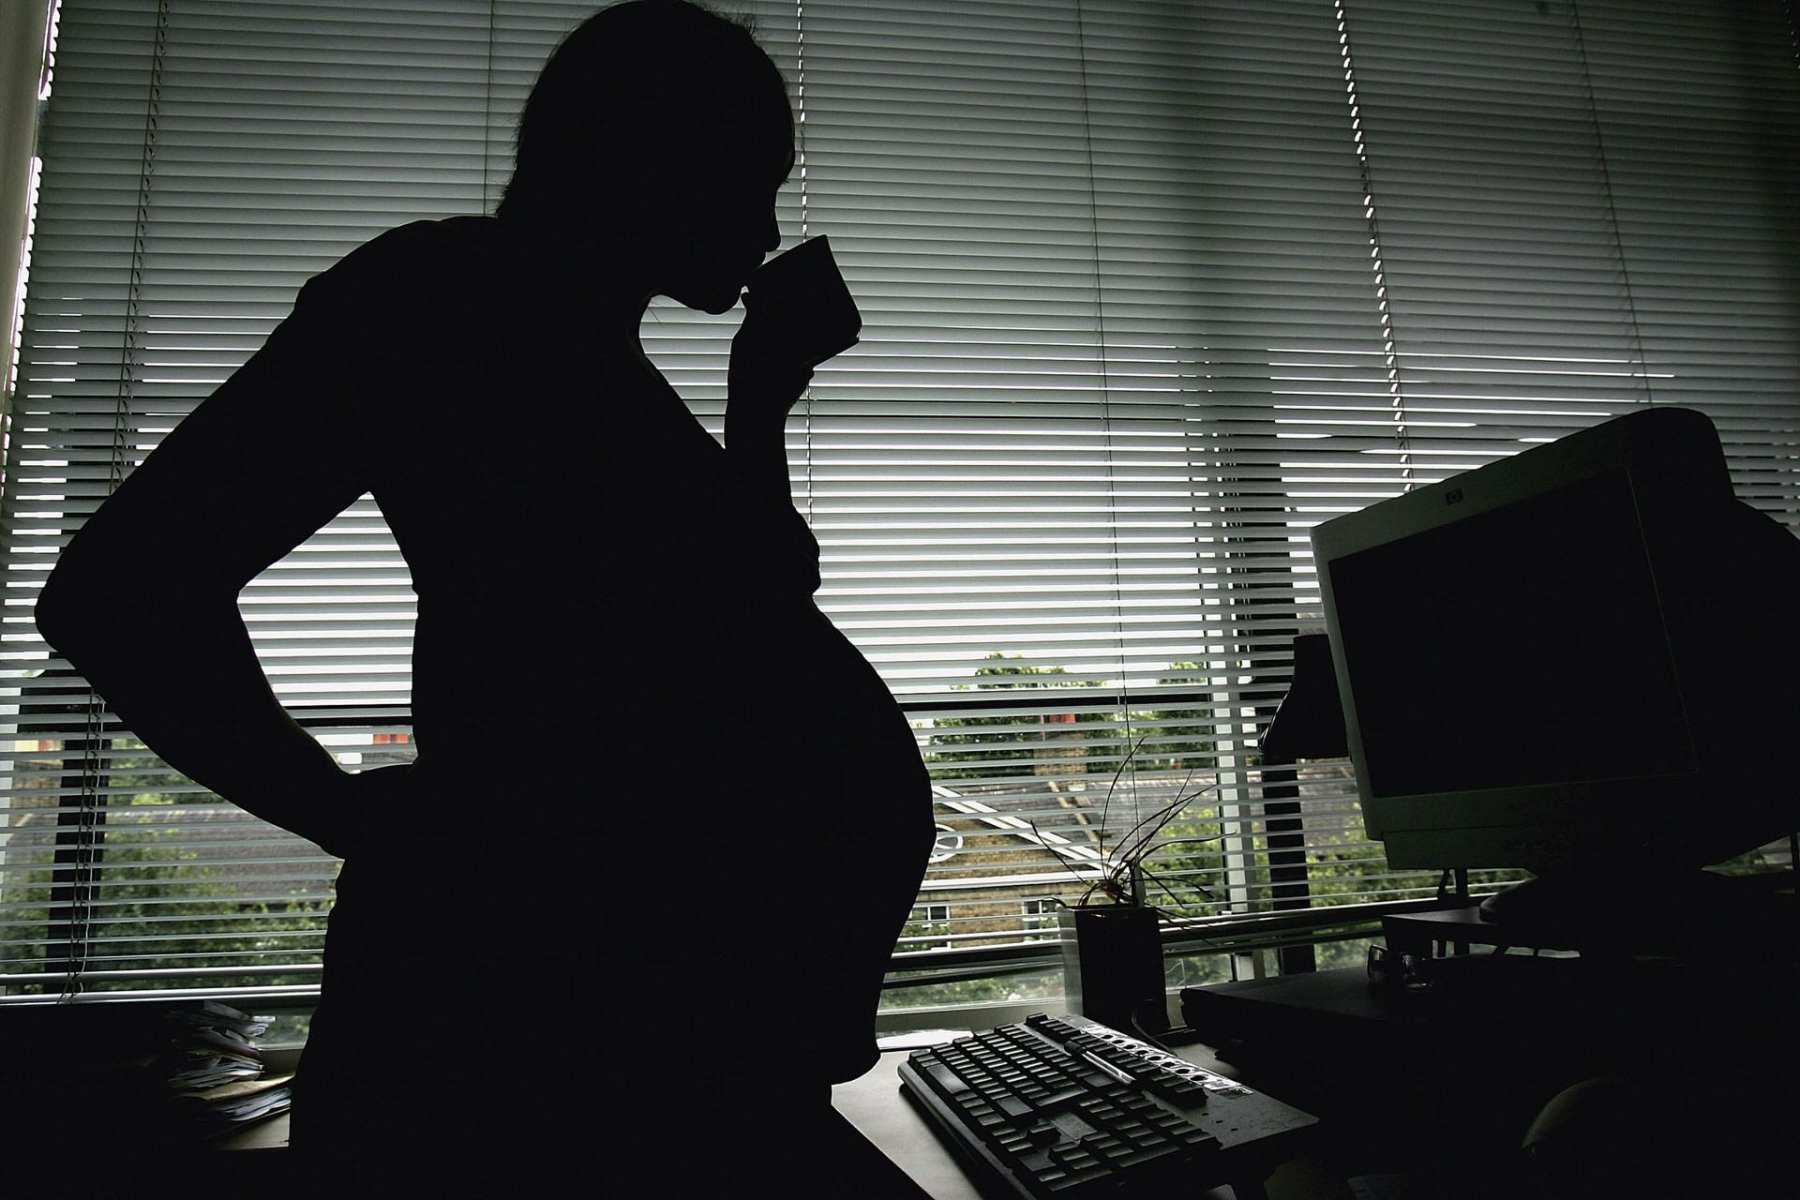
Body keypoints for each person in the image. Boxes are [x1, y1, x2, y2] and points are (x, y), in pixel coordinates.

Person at [33, 1, 935, 1192]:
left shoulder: (594, 360)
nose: (768, 224)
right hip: (534, 1054)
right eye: (752, 179)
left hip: (681, 1050)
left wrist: (759, 397)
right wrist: (352, 818)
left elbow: (760, 607)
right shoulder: (446, 297)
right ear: (653, 157)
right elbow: (120, 589)